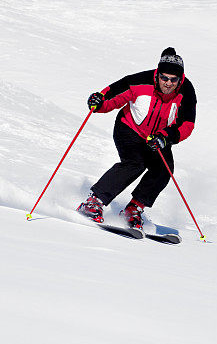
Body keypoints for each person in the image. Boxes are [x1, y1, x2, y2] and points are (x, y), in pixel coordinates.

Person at [77, 47, 197, 232]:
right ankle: (93, 202)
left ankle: (133, 209)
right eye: (164, 77)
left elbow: (187, 124)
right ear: (158, 74)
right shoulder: (140, 81)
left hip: (158, 137)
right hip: (129, 129)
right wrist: (99, 102)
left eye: (174, 80)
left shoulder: (186, 92)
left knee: (164, 169)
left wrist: (166, 137)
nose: (168, 83)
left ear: (180, 79)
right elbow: (113, 93)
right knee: (135, 163)